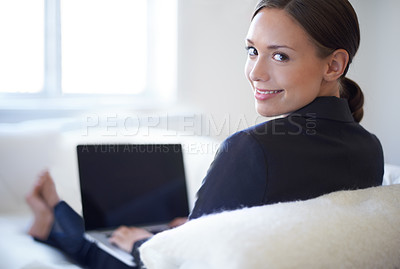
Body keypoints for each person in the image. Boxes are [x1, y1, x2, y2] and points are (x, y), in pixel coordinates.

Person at [26, 0, 384, 268]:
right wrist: (193, 227)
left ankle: (53, 216)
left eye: (280, 57)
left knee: (112, 247)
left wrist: (142, 244)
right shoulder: (371, 149)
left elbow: (183, 259)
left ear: (334, 65)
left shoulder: (251, 149)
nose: (255, 72)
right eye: (252, 51)